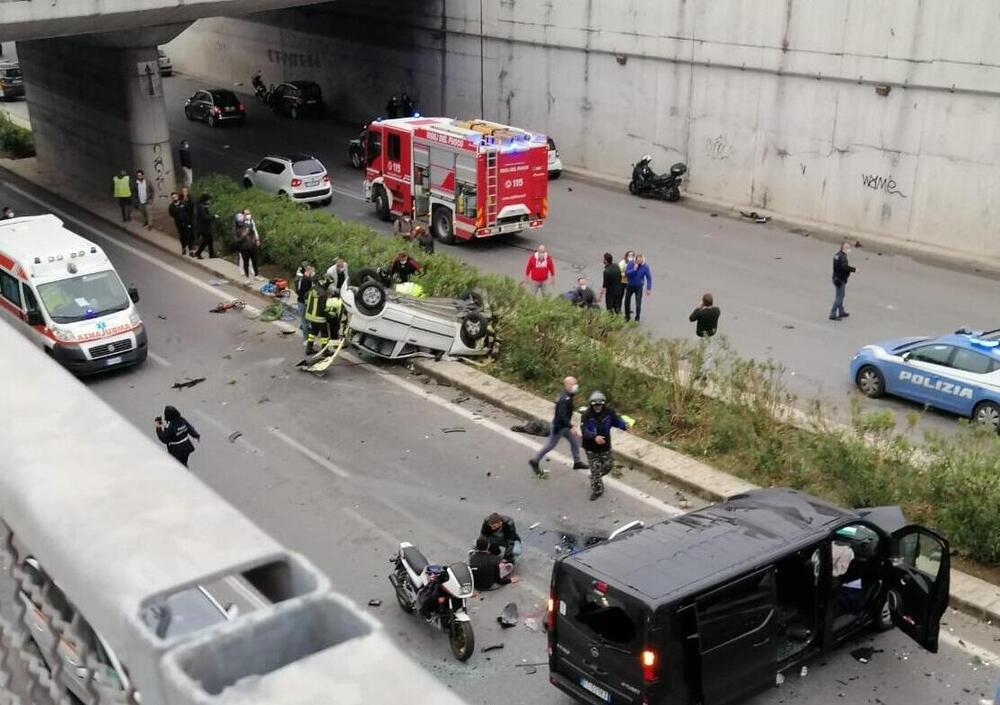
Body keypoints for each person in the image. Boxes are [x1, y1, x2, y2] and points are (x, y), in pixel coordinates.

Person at [529, 376, 588, 475]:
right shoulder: (564, 399)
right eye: (573, 384)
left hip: (564, 426)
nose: (576, 386)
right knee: (549, 446)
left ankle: (577, 462)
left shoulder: (568, 395)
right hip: (559, 427)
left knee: (575, 441)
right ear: (567, 385)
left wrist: (570, 426)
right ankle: (534, 461)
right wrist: (571, 426)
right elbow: (562, 416)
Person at [580, 391, 630, 501]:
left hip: (605, 445)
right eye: (595, 405)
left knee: (608, 465)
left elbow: (617, 421)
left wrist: (624, 426)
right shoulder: (586, 415)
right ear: (591, 404)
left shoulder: (609, 413)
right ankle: (597, 489)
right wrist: (594, 437)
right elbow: (584, 431)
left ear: (603, 404)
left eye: (599, 405)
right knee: (595, 468)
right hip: (591, 447)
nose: (597, 407)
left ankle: (594, 477)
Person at [830, 239, 856, 321]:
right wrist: (854, 269)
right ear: (843, 248)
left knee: (839, 296)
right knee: (840, 297)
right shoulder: (843, 257)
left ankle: (841, 311)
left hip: (836, 278)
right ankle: (833, 313)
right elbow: (845, 267)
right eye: (847, 247)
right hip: (840, 279)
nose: (849, 249)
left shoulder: (837, 255)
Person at [624, 253, 652, 322]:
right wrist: (634, 269)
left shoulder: (645, 266)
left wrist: (648, 288)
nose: (639, 263)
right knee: (627, 301)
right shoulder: (631, 264)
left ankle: (637, 318)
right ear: (635, 260)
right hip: (630, 285)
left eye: (641, 261)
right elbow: (626, 274)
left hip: (639, 287)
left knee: (638, 303)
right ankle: (627, 317)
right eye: (638, 261)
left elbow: (649, 278)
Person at [235, 208, 261, 283]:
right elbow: (237, 239)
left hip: (251, 245)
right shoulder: (238, 228)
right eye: (246, 214)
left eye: (249, 213)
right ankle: (245, 275)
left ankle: (255, 274)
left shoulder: (250, 223)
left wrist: (256, 240)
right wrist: (243, 235)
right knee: (244, 260)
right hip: (243, 247)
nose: (248, 215)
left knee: (254, 260)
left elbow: (254, 231)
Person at [193, 193, 217, 259]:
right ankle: (198, 253)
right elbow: (205, 218)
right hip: (203, 227)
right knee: (206, 240)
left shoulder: (202, 206)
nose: (209, 201)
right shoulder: (201, 207)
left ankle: (212, 254)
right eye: (208, 200)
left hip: (204, 227)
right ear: (205, 200)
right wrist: (214, 217)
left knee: (210, 240)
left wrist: (206, 208)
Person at [295, 263, 314, 342]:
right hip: (305, 302)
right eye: (313, 270)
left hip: (301, 301)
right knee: (305, 322)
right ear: (308, 270)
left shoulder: (301, 278)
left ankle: (305, 334)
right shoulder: (308, 280)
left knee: (304, 320)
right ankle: (305, 340)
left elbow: (298, 290)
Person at [176, 188, 196, 255]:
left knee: (190, 235)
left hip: (189, 220)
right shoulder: (179, 201)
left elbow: (191, 209)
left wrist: (186, 201)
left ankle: (191, 250)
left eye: (186, 191)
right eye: (183, 191)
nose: (184, 193)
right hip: (182, 221)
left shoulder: (190, 200)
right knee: (183, 236)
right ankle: (184, 248)